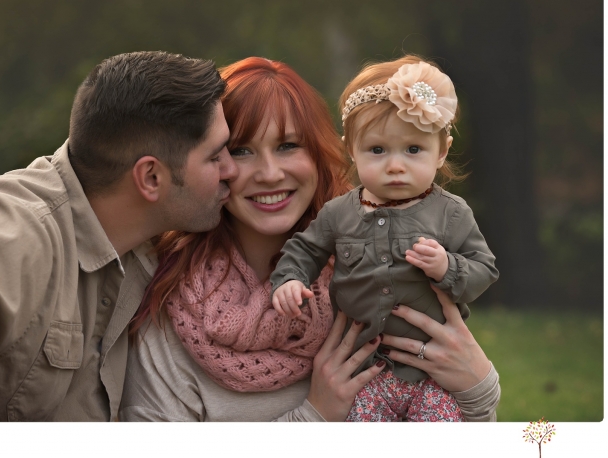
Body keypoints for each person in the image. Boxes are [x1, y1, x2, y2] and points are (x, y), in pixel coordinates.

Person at [120, 57, 500, 422]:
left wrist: (478, 386)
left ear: (320, 151)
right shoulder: (172, 302)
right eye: (242, 150)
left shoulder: (370, 272)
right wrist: (314, 416)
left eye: (288, 146)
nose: (270, 174)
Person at [0, 51, 239, 421]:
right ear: (151, 177)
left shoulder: (145, 243)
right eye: (216, 157)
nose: (233, 169)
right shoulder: (20, 229)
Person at [270, 55, 498, 422]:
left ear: (441, 151)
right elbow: (305, 249)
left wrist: (447, 267)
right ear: (351, 150)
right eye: (377, 150)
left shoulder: (451, 213)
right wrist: (291, 279)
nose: (395, 165)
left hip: (433, 376)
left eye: (413, 150)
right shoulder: (338, 213)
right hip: (364, 374)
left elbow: (484, 269)